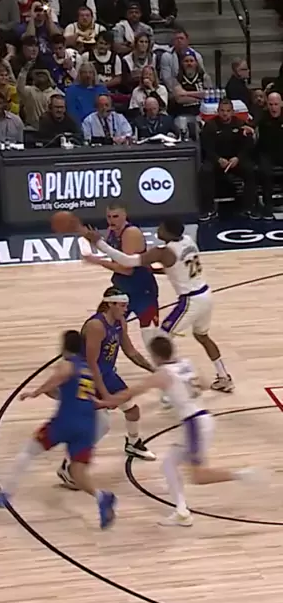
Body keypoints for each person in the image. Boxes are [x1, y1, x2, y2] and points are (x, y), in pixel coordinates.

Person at [101, 334, 255, 527]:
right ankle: (181, 512)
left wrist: (104, 401)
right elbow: (205, 383)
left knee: (198, 476)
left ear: (155, 356)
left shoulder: (163, 374)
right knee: (168, 465)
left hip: (194, 424)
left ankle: (241, 475)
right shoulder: (186, 364)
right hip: (200, 418)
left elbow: (131, 392)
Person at [0, 329, 117, 530]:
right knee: (77, 472)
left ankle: (5, 494)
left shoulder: (68, 363)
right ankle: (101, 497)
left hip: (66, 421)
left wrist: (35, 392)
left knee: (29, 451)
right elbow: (80, 396)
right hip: (87, 425)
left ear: (64, 346)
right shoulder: (87, 369)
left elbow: (61, 375)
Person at [92, 216, 234, 393]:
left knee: (160, 340)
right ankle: (224, 377)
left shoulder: (164, 252)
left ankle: (178, 383)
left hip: (191, 301)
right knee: (202, 337)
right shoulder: (187, 241)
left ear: (168, 233)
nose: (158, 229)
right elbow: (177, 268)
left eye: (161, 227)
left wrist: (99, 243)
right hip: (205, 294)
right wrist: (155, 270)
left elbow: (127, 261)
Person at [57, 286, 155, 490]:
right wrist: (106, 394)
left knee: (133, 410)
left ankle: (132, 444)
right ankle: (67, 466)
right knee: (100, 427)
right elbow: (92, 363)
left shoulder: (120, 322)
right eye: (122, 306)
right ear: (110, 304)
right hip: (91, 377)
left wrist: (153, 369)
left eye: (126, 306)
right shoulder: (96, 326)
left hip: (108, 374)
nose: (126, 310)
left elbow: (130, 351)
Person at [79, 202, 159, 347]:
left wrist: (97, 261)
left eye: (115, 216)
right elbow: (114, 254)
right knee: (102, 325)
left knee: (150, 338)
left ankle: (161, 360)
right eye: (109, 217)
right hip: (122, 287)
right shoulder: (113, 231)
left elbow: (126, 269)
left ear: (124, 215)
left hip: (142, 291)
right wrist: (96, 242)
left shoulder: (130, 233)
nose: (111, 220)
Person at [199, 97, 256, 222]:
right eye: (222, 111)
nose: (225, 114)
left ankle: (249, 207)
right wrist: (218, 159)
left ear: (232, 112)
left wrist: (238, 158)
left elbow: (247, 145)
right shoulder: (210, 126)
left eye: (228, 111)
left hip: (235, 161)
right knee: (205, 171)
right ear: (218, 111)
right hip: (216, 160)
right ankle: (207, 209)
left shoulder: (240, 124)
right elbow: (206, 147)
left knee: (250, 170)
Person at [256, 91, 283, 220]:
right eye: (271, 104)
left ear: (281, 104)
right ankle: (268, 205)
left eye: (276, 104)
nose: (273, 107)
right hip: (266, 152)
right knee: (265, 171)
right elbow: (251, 124)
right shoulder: (262, 116)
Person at [171, 49, 211, 133]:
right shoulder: (177, 79)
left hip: (201, 114)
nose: (189, 63)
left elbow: (208, 95)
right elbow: (179, 99)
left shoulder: (204, 77)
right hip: (183, 114)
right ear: (182, 63)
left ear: (196, 63)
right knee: (181, 126)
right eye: (186, 61)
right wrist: (199, 97)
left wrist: (185, 93)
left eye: (191, 61)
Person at [159, 26, 206, 91]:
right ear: (173, 41)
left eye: (181, 38)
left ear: (187, 40)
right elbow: (167, 78)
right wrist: (179, 91)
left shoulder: (197, 56)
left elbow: (202, 74)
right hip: (173, 90)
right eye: (176, 39)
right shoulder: (166, 56)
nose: (179, 41)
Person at [16, 63, 59, 127]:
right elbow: (19, 87)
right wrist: (24, 70)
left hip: (50, 127)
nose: (40, 75)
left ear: (49, 78)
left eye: (43, 74)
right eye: (38, 74)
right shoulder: (29, 91)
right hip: (31, 127)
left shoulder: (54, 94)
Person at [65, 61, 107, 125]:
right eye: (84, 72)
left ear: (94, 74)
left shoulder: (102, 89)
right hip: (81, 125)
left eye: (90, 72)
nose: (88, 75)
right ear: (80, 74)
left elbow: (107, 109)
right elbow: (72, 114)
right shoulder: (71, 90)